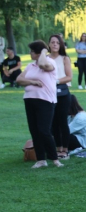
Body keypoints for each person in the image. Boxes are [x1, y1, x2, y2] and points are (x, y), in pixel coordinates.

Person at [16, 40, 63, 168]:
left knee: (44, 130)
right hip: (30, 99)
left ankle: (54, 158)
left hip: (45, 101)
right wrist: (32, 82)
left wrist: (43, 51)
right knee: (34, 131)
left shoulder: (50, 63)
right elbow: (19, 79)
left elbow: (42, 64)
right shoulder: (30, 66)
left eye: (32, 51)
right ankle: (41, 160)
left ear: (38, 53)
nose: (30, 53)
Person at [48, 34, 73, 160]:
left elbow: (69, 76)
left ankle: (65, 149)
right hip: (49, 93)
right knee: (53, 122)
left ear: (60, 44)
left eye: (57, 42)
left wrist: (56, 81)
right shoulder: (46, 59)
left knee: (63, 121)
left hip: (62, 93)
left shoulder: (64, 58)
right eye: (52, 42)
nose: (55, 45)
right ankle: (58, 148)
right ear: (49, 44)